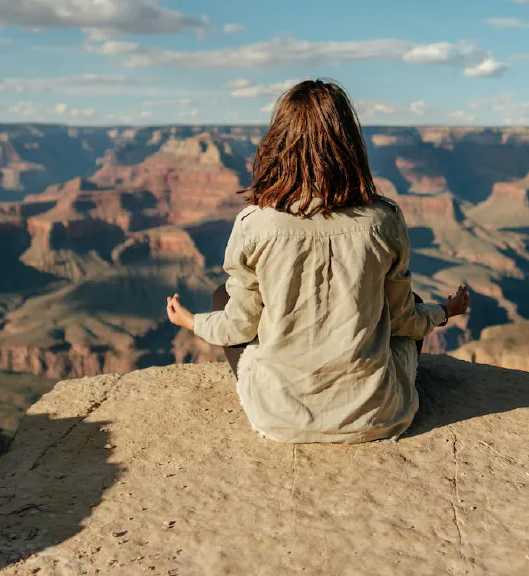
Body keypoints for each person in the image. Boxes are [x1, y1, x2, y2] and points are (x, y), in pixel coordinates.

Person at [166, 79, 470, 444]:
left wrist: (191, 321)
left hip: (278, 419)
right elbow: (404, 320)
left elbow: (239, 328)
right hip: (377, 417)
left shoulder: (255, 223)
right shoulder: (382, 220)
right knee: (413, 303)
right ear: (349, 144)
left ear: (278, 143)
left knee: (222, 298)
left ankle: (285, 398)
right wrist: (444, 311)